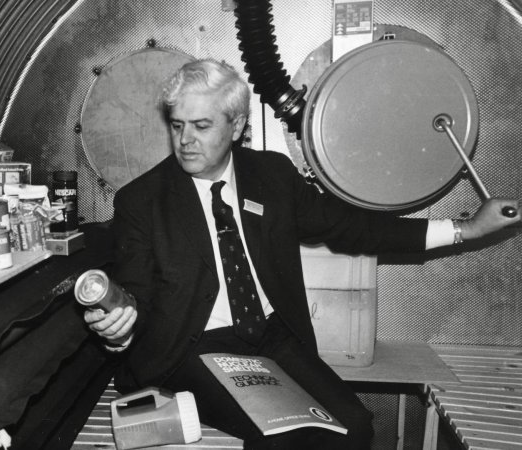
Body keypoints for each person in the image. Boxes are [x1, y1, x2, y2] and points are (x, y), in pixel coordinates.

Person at [84, 58, 519, 449]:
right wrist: (119, 328)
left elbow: (354, 228)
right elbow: (135, 294)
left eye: (201, 126)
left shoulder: (270, 175)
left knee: (355, 428)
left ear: (235, 127)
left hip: (272, 336)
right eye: (177, 125)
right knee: (284, 436)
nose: (185, 141)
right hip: (193, 347)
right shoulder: (142, 200)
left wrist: (466, 229)